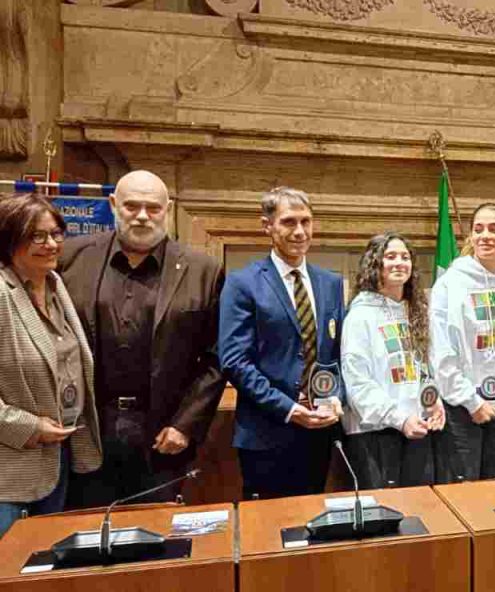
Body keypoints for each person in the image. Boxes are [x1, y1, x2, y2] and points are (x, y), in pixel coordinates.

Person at [59, 171, 225, 507]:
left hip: (162, 433)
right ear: (113, 205)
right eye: (132, 206)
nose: (142, 216)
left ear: (168, 208)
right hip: (86, 428)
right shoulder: (70, 259)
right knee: (85, 536)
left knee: (154, 539)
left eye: (153, 207)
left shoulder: (203, 270)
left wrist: (185, 424)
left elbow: (217, 357)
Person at [219, 187, 345, 500]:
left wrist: (334, 398)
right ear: (268, 226)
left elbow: (339, 354)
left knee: (315, 526)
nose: (300, 231)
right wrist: (290, 409)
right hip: (266, 434)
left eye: (306, 221)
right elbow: (235, 361)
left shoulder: (330, 283)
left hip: (319, 432)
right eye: (289, 222)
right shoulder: (243, 282)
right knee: (269, 534)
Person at [0, 194, 101, 536]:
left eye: (57, 234)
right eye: (37, 236)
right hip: (9, 473)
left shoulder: (58, 287)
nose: (51, 244)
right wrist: (27, 427)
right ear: (9, 239)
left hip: (58, 463)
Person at [430, 203, 495, 482]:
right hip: (462, 396)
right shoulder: (450, 283)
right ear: (470, 237)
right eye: (478, 229)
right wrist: (470, 401)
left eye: (494, 229)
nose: (485, 236)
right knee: (463, 486)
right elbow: (440, 348)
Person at [341, 232, 445, 488]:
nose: (399, 262)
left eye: (405, 257)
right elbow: (358, 383)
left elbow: (423, 370)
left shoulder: (417, 312)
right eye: (390, 256)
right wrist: (399, 418)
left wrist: (434, 401)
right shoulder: (360, 315)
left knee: (422, 513)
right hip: (375, 434)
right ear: (374, 264)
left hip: (417, 429)